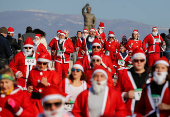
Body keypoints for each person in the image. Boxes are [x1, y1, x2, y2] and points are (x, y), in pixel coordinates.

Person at [115, 48, 148, 116]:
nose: (139, 62)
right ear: (132, 61)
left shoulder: (151, 76)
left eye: (141, 60)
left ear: (145, 61)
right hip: (129, 113)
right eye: (136, 60)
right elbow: (115, 94)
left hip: (147, 113)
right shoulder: (124, 75)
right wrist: (125, 94)